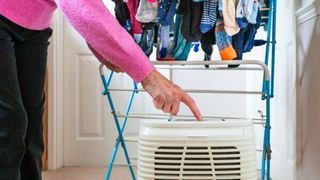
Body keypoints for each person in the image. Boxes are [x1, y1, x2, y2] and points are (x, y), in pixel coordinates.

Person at [0, 0, 202, 179]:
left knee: (32, 125)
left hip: (35, 25)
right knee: (10, 121)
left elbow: (85, 8)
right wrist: (150, 78)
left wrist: (103, 49)